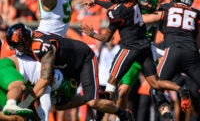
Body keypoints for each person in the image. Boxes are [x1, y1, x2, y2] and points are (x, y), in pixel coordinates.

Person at [80, 0, 190, 113]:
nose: (146, 4)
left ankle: (103, 116)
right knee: (154, 83)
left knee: (110, 84)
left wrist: (91, 34)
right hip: (146, 47)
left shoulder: (118, 11)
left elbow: (106, 37)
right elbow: (118, 6)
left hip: (130, 48)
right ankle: (181, 89)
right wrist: (96, 1)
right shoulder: (133, 0)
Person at [5, 23, 134, 121]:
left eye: (18, 46)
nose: (17, 50)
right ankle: (97, 97)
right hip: (66, 65)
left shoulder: (41, 47)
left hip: (84, 59)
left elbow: (44, 80)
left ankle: (123, 113)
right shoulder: (33, 43)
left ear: (26, 41)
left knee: (92, 102)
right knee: (60, 105)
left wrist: (26, 103)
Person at [142, 0, 200, 113]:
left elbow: (143, 20)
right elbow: (198, 41)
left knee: (156, 87)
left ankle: (167, 115)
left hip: (173, 52)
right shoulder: (196, 14)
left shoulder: (167, 8)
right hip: (192, 54)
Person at [0, 53, 77, 121]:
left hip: (7, 82)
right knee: (19, 86)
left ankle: (11, 104)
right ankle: (11, 103)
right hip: (6, 66)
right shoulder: (48, 78)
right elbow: (44, 108)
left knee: (14, 117)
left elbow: (31, 99)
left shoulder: (43, 80)